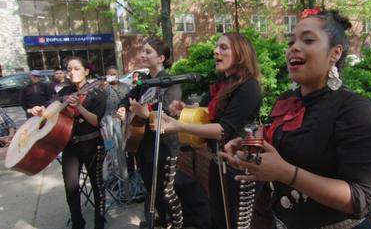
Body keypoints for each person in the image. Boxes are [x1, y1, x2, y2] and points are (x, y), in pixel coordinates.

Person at [221, 9, 371, 229]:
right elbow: (283, 150)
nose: (294, 48)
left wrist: (286, 174)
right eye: (291, 42)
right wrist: (249, 147)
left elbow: (363, 198)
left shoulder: (356, 111)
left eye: (308, 40)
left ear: (335, 53)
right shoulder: (286, 101)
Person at [162, 32, 263, 229]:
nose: (215, 51)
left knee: (235, 223)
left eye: (223, 47)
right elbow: (206, 111)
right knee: (218, 219)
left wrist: (180, 126)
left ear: (241, 53)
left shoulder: (249, 87)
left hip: (240, 166)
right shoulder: (223, 85)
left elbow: (223, 129)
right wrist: (184, 108)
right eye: (216, 47)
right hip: (218, 161)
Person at [30, 57, 107, 229]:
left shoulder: (98, 92)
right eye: (69, 69)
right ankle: (77, 222)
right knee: (70, 187)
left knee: (97, 186)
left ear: (86, 71)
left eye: (76, 68)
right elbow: (50, 107)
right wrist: (41, 111)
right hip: (70, 145)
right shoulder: (65, 90)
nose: (71, 72)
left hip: (93, 145)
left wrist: (79, 107)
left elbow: (96, 121)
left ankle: (100, 223)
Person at [117, 37, 182, 229]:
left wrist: (147, 114)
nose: (142, 55)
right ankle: (162, 222)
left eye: (148, 52)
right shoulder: (144, 81)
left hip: (164, 146)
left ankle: (176, 224)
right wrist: (123, 110)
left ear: (161, 57)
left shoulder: (171, 83)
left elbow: (171, 115)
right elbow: (127, 99)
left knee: (165, 192)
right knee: (151, 189)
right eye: (142, 51)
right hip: (142, 144)